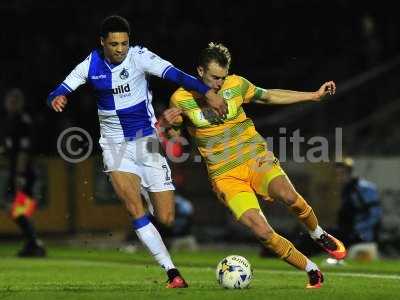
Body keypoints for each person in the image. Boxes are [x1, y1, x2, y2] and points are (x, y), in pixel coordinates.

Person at [47, 15, 226, 288]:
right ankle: (172, 273)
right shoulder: (90, 64)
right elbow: (60, 88)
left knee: (165, 217)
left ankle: (145, 193)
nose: (120, 49)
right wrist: (57, 97)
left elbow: (176, 74)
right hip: (115, 146)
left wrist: (208, 92)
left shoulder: (140, 56)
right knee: (134, 208)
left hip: (147, 143)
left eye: (124, 43)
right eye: (114, 44)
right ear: (103, 43)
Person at [160, 42, 347, 289]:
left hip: (255, 158)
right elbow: (175, 139)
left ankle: (318, 234)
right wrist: (167, 124)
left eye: (222, 78)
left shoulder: (236, 85)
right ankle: (312, 269)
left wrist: (313, 95)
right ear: (200, 71)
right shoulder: (181, 98)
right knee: (261, 231)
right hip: (224, 175)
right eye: (214, 77)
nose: (219, 83)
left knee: (290, 197)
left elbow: (268, 95)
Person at [0, 88, 46, 257]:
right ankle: (32, 243)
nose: (11, 104)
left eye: (14, 101)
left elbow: (23, 151)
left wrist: (19, 175)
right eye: (9, 101)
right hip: (15, 171)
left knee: (18, 208)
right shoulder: (8, 121)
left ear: (20, 103)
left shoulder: (23, 121)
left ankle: (34, 244)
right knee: (14, 208)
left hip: (24, 172)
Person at [334, 157, 382, 249]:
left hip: (362, 235)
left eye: (342, 174)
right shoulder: (346, 190)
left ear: (349, 172)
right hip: (348, 233)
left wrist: (356, 228)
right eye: (337, 174)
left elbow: (375, 215)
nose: (339, 177)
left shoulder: (365, 188)